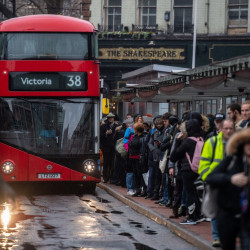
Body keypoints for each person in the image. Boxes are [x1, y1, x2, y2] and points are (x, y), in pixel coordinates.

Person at [206, 128, 250, 250]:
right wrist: (230, 178)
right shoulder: (232, 160)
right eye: (247, 143)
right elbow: (211, 177)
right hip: (228, 215)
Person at [199, 119, 235, 247]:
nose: (228, 131)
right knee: (215, 208)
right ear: (221, 128)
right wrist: (209, 179)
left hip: (233, 183)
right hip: (215, 182)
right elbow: (203, 163)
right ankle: (216, 236)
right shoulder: (212, 142)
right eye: (226, 128)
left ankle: (228, 235)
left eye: (231, 128)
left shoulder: (238, 144)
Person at [170, 119, 203, 225]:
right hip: (199, 170)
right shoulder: (201, 139)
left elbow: (174, 156)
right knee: (196, 193)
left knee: (189, 193)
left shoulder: (187, 142)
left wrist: (178, 141)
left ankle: (191, 216)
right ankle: (198, 214)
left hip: (187, 169)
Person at [148, 117, 166, 200]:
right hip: (155, 156)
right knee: (156, 175)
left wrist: (161, 144)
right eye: (157, 124)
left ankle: (161, 193)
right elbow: (150, 143)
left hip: (162, 156)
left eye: (160, 124)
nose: (159, 126)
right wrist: (153, 149)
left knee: (162, 176)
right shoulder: (154, 132)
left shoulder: (165, 132)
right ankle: (155, 193)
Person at [128, 122, 147, 197]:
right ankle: (138, 189)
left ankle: (144, 189)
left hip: (139, 158)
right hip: (133, 157)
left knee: (140, 174)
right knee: (136, 174)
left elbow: (142, 148)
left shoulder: (143, 137)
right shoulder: (135, 136)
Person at [100, 113, 118, 183]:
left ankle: (111, 178)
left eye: (112, 118)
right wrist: (106, 134)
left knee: (112, 163)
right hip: (106, 147)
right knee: (106, 163)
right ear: (108, 118)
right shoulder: (103, 126)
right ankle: (105, 178)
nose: (111, 119)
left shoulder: (116, 126)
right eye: (110, 118)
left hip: (113, 147)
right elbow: (100, 137)